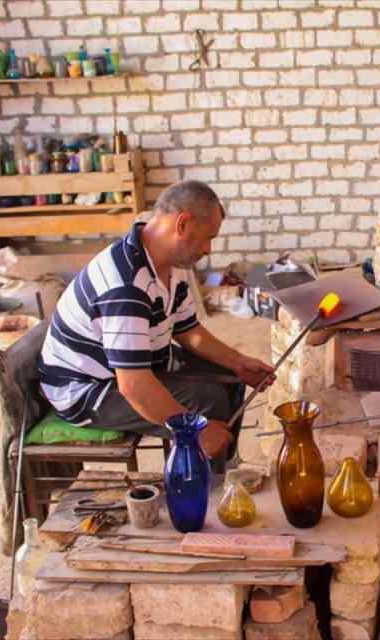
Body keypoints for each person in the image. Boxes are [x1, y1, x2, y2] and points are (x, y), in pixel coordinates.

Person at [38, 180, 274, 464]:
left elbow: (189, 332)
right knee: (207, 400)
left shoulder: (168, 266)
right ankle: (205, 487)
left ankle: (220, 464)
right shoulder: (125, 286)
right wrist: (197, 430)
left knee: (230, 377)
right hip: (87, 390)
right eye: (207, 238)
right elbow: (134, 385)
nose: (208, 249)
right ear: (183, 224)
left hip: (134, 364)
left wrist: (238, 362)